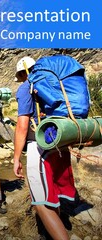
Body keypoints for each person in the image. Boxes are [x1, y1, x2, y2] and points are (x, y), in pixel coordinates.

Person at [13, 56, 76, 240]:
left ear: (22, 74)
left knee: (40, 203)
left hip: (40, 148)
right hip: (59, 144)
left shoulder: (26, 88)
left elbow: (22, 126)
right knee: (51, 195)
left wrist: (16, 158)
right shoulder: (54, 84)